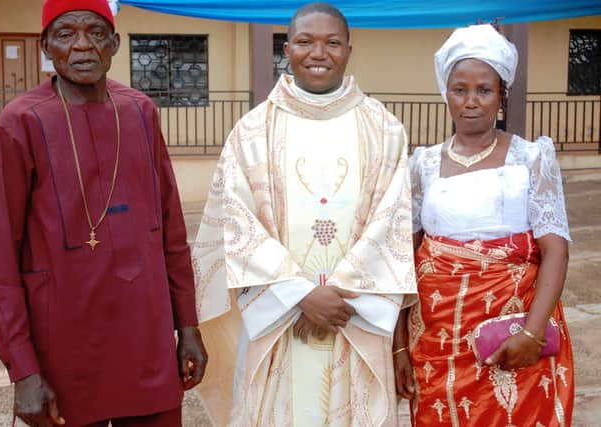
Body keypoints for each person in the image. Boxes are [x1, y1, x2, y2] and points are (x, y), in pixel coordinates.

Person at [0, 0, 207, 426]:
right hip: (64, 345)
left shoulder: (139, 112)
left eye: (96, 34)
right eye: (66, 35)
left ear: (115, 44)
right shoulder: (20, 121)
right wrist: (23, 370)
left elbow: (172, 230)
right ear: (46, 46)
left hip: (145, 337)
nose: (83, 47)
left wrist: (188, 327)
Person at [192, 2, 417, 426]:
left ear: (350, 49)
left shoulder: (384, 129)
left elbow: (393, 221)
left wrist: (336, 297)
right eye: (305, 42)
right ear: (287, 48)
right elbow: (237, 223)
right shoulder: (253, 130)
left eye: (332, 43)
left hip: (353, 314)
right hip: (280, 317)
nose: (319, 53)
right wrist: (301, 296)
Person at [394, 24, 575, 426]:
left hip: (513, 331)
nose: (471, 101)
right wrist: (398, 346)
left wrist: (532, 334)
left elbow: (555, 250)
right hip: (437, 338)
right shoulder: (421, 165)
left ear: (502, 96)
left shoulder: (531, 159)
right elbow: (403, 261)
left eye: (484, 90)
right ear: (447, 94)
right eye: (460, 89)